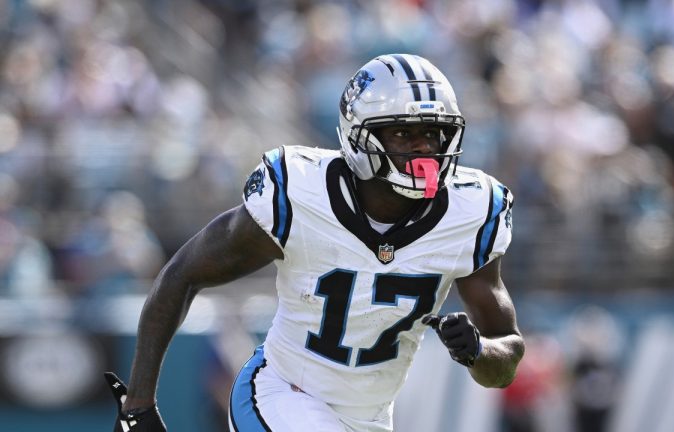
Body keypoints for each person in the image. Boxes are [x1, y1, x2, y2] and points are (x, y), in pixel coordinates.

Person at [105, 54, 525, 432]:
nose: (423, 149)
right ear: (360, 136)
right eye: (403, 133)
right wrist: (138, 406)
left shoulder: (470, 212)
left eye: (432, 134)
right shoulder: (300, 194)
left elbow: (505, 362)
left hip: (370, 419)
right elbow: (182, 274)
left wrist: (478, 351)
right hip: (283, 394)